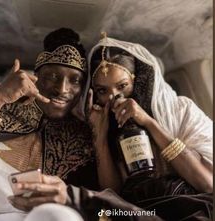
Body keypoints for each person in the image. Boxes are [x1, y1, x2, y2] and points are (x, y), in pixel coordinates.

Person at [0, 28, 102, 221]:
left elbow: (106, 211)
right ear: (36, 78)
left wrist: (99, 131)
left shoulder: (84, 139)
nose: (62, 89)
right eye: (53, 76)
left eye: (75, 80)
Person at [86, 34, 213, 220]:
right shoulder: (109, 126)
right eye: (102, 91)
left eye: (122, 86)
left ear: (137, 82)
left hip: (190, 205)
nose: (114, 97)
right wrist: (99, 137)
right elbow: (114, 195)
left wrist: (147, 122)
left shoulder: (180, 109)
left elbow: (207, 183)